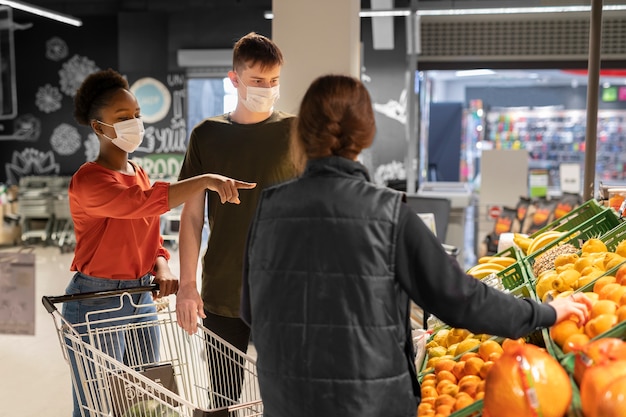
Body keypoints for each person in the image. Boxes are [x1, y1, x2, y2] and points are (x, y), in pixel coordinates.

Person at [240, 74, 593, 417]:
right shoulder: (388, 213)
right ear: (366, 134)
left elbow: (250, 311)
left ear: (302, 132)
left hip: (286, 400)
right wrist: (545, 312)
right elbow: (461, 299)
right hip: (370, 402)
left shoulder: (268, 209)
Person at [63, 68, 255, 417]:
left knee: (146, 399)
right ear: (98, 127)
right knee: (100, 403)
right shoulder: (88, 181)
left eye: (136, 116)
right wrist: (206, 180)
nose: (134, 123)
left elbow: (150, 236)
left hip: (140, 297)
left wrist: (162, 265)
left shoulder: (137, 173)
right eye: (123, 117)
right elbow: (140, 203)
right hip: (96, 300)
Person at [176, 32, 297, 406]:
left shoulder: (295, 133)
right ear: (235, 80)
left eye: (274, 81)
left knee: (286, 398)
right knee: (223, 398)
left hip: (284, 291)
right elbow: (192, 218)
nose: (267, 88)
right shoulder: (207, 135)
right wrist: (186, 285)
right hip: (223, 290)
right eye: (258, 81)